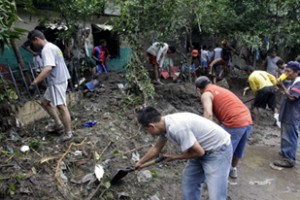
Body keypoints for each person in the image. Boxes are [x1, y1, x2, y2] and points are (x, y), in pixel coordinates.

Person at [136, 107, 232, 200]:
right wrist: (140, 162)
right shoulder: (163, 125)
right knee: (190, 183)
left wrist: (175, 157)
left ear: (152, 126)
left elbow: (199, 152)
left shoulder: (176, 128)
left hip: (218, 150)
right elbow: (156, 148)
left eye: (147, 130)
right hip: (201, 149)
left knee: (216, 195)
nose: (149, 133)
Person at [195, 76, 253, 178]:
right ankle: (232, 169)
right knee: (238, 148)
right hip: (246, 119)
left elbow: (208, 114)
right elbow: (221, 114)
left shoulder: (206, 94)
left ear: (198, 89)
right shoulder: (219, 89)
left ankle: (217, 177)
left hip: (234, 121)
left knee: (221, 149)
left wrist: (203, 134)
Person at [27, 30, 73, 142]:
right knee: (45, 102)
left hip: (56, 81)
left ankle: (68, 133)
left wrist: (34, 82)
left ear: (36, 39)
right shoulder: (53, 47)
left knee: (61, 107)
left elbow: (48, 68)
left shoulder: (46, 50)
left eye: (33, 43)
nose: (34, 46)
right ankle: (58, 125)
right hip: (59, 79)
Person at [273, 61, 300, 168]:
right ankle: (285, 152)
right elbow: (284, 91)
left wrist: (282, 86)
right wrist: (279, 85)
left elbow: (292, 97)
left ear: (296, 72)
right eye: (286, 71)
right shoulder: (292, 82)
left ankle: (290, 159)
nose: (286, 73)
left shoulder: (298, 83)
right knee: (285, 135)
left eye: (289, 71)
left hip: (292, 115)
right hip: (286, 113)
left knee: (290, 137)